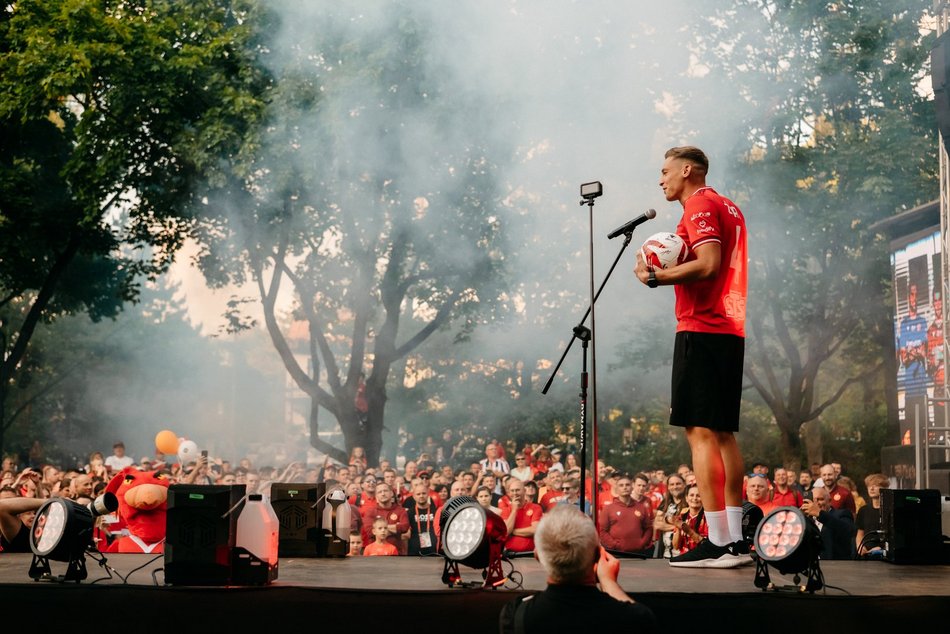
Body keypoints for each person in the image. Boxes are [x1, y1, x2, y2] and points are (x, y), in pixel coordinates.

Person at [635, 146, 748, 568]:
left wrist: (654, 277)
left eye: (665, 171)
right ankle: (734, 540)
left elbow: (708, 265)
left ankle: (718, 540)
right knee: (721, 434)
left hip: (702, 328)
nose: (661, 179)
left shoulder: (700, 203)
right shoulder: (728, 206)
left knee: (699, 432)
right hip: (729, 328)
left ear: (687, 170)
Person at [499, 505, 657, 633]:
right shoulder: (634, 618)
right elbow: (640, 619)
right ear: (597, 555)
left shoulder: (516, 614)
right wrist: (609, 582)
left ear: (538, 556)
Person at [597, 473, 654, 556]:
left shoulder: (641, 507)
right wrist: (614, 545)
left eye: (627, 485)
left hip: (638, 553)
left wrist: (642, 543)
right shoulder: (608, 508)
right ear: (616, 489)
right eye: (621, 485)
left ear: (632, 487)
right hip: (616, 553)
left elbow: (648, 528)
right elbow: (602, 531)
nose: (624, 487)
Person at [802, 486, 854, 560]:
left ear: (829, 501)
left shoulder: (842, 514)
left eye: (820, 499)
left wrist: (820, 514)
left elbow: (848, 531)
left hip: (835, 564)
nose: (816, 503)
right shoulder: (807, 520)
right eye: (813, 500)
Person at [500, 477, 542, 554]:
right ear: (509, 493)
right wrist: (514, 510)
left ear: (524, 491)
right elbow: (506, 531)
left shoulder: (536, 507)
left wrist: (514, 531)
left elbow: (535, 530)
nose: (515, 493)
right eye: (512, 491)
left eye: (517, 490)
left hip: (529, 554)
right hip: (510, 555)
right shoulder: (506, 510)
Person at [855, 473, 889, 556]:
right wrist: (860, 547)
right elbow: (860, 533)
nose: (872, 488)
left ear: (884, 488)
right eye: (869, 486)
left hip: (884, 554)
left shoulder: (889, 510)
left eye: (875, 485)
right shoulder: (863, 510)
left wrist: (881, 548)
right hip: (866, 554)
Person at [671, 483, 707, 556]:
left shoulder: (707, 517)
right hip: (684, 558)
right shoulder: (681, 516)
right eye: (691, 495)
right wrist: (678, 527)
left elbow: (706, 545)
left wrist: (688, 530)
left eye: (698, 495)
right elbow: (676, 546)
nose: (694, 498)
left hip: (701, 558)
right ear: (686, 498)